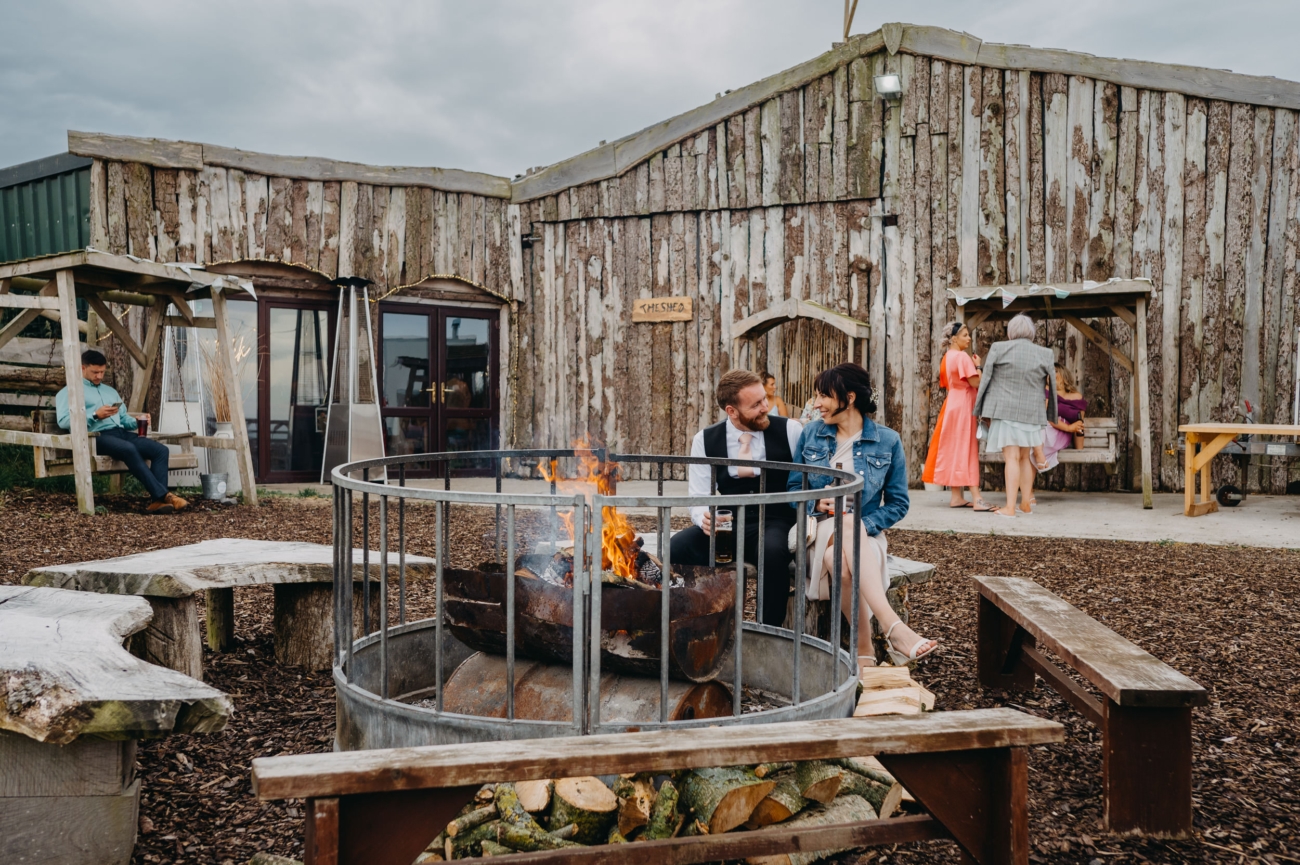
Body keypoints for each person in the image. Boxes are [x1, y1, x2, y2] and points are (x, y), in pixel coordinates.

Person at [789, 363, 938, 668]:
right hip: (818, 532)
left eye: (823, 396)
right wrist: (817, 505)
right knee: (845, 524)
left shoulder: (888, 441)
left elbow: (898, 504)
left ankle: (864, 649)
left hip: (864, 536)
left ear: (850, 397)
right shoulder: (811, 434)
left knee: (839, 560)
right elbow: (793, 490)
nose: (816, 404)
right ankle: (893, 627)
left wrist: (865, 524)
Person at [671, 370, 802, 626]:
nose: (766, 407)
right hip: (728, 522)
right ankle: (690, 623)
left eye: (764, 399)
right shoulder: (705, 440)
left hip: (775, 518)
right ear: (732, 411)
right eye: (756, 404)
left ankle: (768, 632)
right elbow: (699, 496)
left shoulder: (791, 430)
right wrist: (703, 518)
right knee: (678, 546)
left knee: (773, 551)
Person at [55, 350, 188, 515]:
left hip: (121, 434)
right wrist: (95, 415)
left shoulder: (110, 391)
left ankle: (158, 502)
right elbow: (64, 421)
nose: (99, 376)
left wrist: (139, 420)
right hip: (96, 437)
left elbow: (124, 419)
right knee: (128, 449)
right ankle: (165, 496)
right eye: (95, 372)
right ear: (83, 368)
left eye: (102, 372)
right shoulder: (69, 392)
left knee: (160, 450)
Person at [972, 314, 1057, 517]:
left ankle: (1010, 508)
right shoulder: (1045, 353)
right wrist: (1051, 414)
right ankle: (1025, 504)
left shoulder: (999, 348)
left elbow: (986, 380)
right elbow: (1052, 386)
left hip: (1005, 409)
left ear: (1010, 331)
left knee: (1011, 457)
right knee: (1025, 458)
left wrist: (980, 410)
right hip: (1032, 412)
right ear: (1031, 333)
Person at [922, 322, 993, 510]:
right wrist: (979, 367)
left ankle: (956, 497)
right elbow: (975, 382)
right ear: (954, 338)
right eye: (965, 335)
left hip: (952, 403)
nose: (969, 338)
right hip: (963, 405)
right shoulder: (962, 357)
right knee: (967, 448)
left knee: (956, 448)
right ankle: (977, 498)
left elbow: (947, 383)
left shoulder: (947, 357)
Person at [1036, 364, 1087, 472]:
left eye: (1055, 371)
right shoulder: (1046, 392)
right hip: (1045, 429)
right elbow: (1048, 416)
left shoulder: (1077, 397)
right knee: (1041, 421)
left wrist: (1079, 450)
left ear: (1064, 375)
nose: (1051, 375)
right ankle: (1038, 454)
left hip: (1062, 435)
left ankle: (1038, 453)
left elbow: (1079, 424)